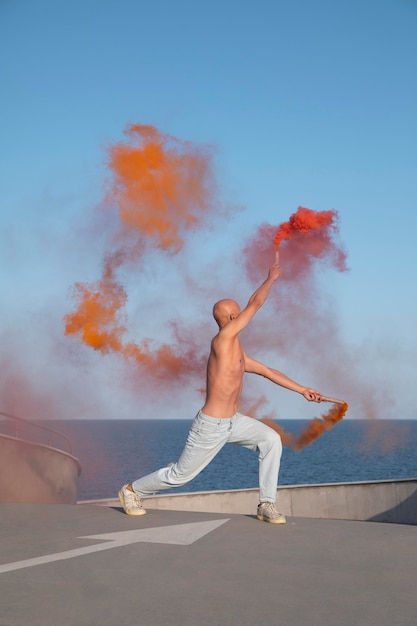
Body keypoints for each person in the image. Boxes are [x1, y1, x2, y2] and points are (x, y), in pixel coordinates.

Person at [118, 258, 322, 524]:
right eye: (238, 312)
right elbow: (256, 304)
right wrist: (271, 278)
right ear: (232, 318)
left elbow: (268, 371)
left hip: (233, 422)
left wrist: (302, 390)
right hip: (210, 426)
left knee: (270, 440)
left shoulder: (237, 351)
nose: (242, 315)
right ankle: (131, 490)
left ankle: (266, 504)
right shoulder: (222, 341)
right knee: (180, 476)